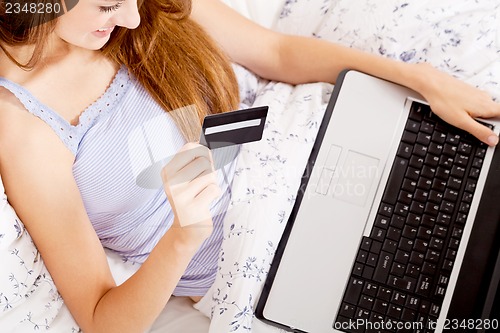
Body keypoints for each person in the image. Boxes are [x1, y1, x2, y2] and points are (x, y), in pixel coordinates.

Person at [0, 0, 498, 332]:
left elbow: (275, 51)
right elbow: (100, 318)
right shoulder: (24, 127)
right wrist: (183, 236)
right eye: (110, 4)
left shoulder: (142, 8)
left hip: (328, 142)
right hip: (273, 255)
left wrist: (417, 79)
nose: (132, 17)